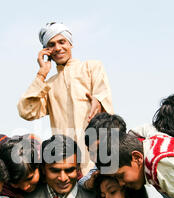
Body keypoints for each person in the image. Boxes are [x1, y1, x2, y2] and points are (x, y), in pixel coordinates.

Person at [17, 22, 113, 175]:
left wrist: (98, 101)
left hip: (100, 157)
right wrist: (41, 74)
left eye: (62, 42)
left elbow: (103, 96)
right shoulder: (48, 85)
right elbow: (26, 111)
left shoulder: (91, 67)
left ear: (70, 44)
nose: (58, 48)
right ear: (46, 51)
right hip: (67, 166)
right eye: (51, 44)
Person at [24, 134, 97, 198]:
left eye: (69, 170)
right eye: (55, 171)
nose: (63, 178)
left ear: (78, 168)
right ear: (43, 169)